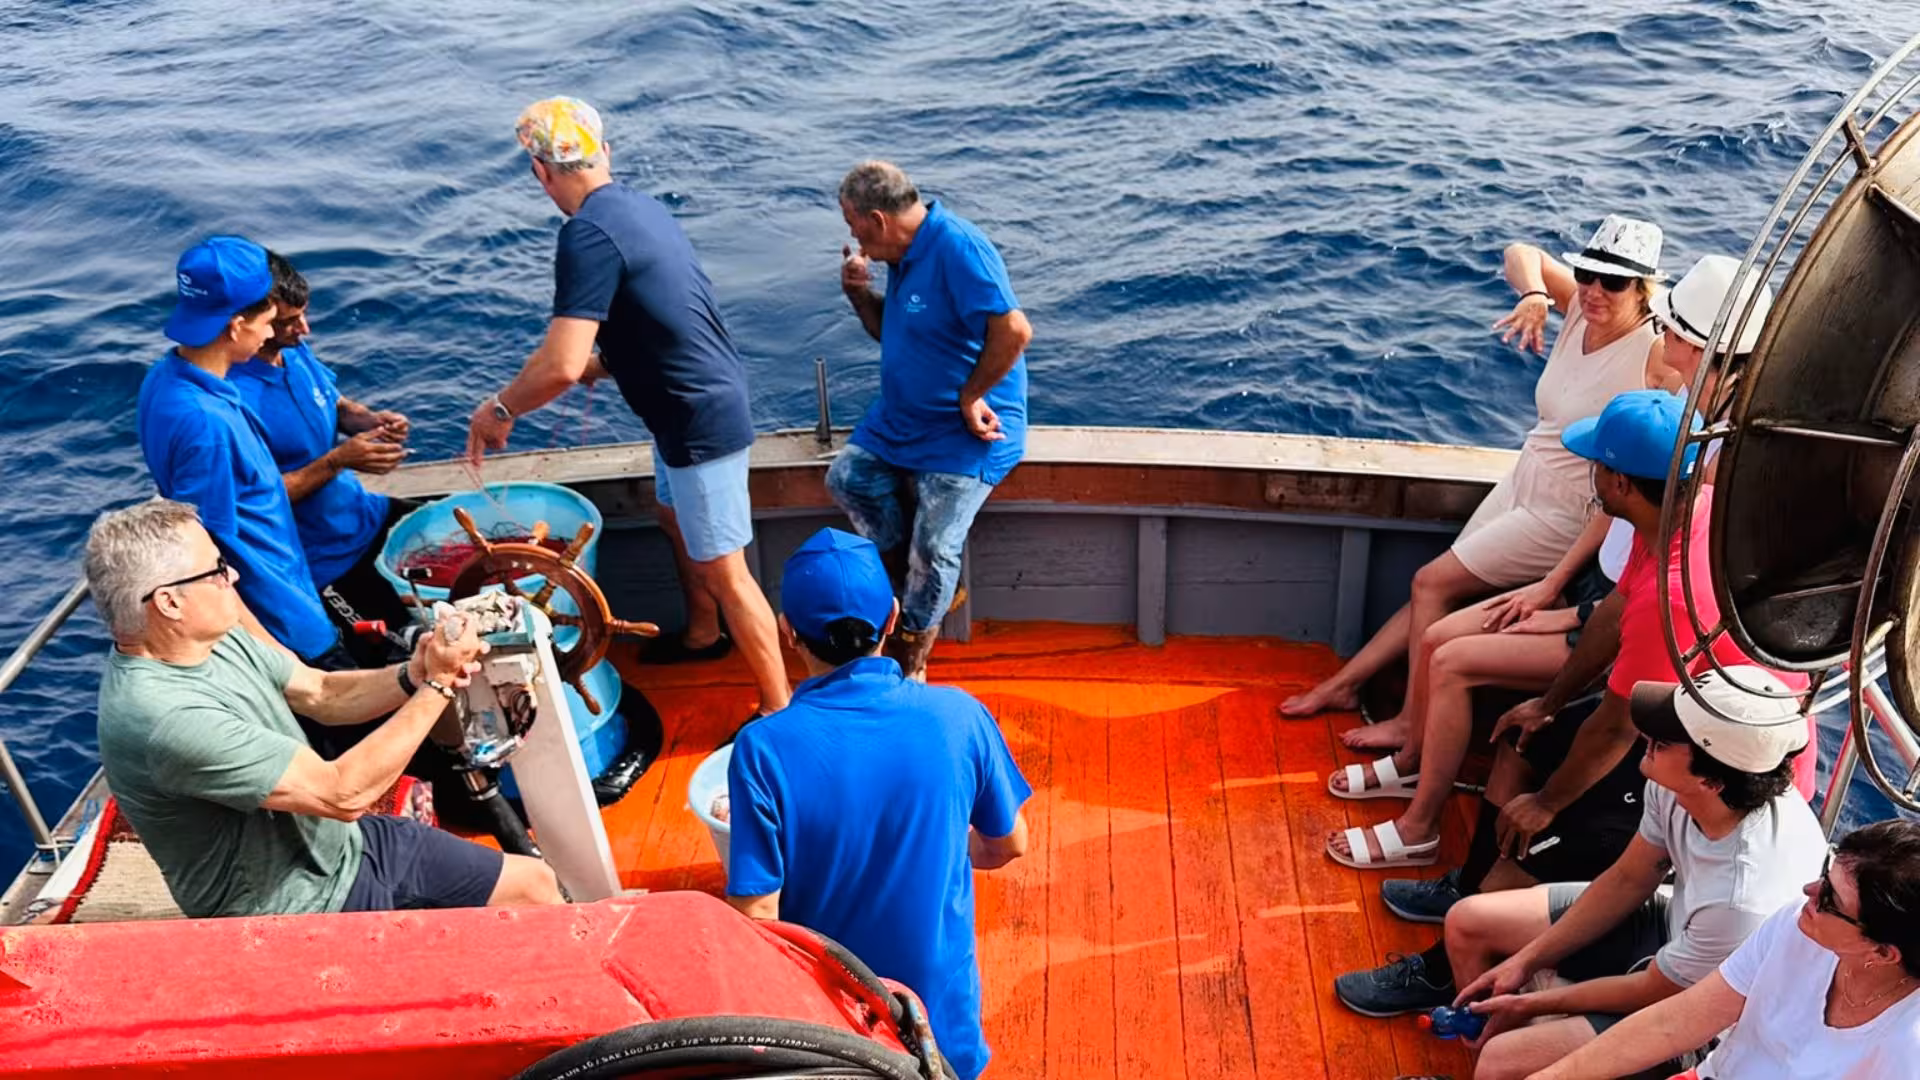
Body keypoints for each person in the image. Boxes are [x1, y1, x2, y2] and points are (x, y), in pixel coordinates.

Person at [1332, 391, 1816, 1018]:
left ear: (1616, 479)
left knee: (1545, 835)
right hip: (1669, 722)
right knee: (1522, 740)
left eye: (1596, 464)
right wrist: (1549, 704)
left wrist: (1547, 803)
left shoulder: (1674, 591)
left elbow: (1615, 729)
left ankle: (1447, 965)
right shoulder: (1676, 512)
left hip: (1708, 765)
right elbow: (1610, 616)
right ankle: (1472, 885)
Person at [1326, 257, 1779, 873]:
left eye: (1669, 325)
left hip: (1633, 623)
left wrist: (1548, 796)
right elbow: (1626, 562)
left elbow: (1624, 694)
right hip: (1605, 596)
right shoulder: (1686, 441)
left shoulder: (1709, 460)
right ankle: (1416, 772)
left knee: (1454, 658)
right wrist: (1556, 591)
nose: (1660, 333)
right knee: (1438, 637)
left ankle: (1421, 826)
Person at [1282, 215, 1667, 760]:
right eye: (1587, 273)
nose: (1595, 289)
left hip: (1566, 509)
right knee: (1433, 588)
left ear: (1644, 288)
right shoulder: (1580, 308)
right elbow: (1520, 249)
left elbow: (1684, 417)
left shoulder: (1652, 349)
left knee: (1430, 583)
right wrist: (1537, 295)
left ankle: (1409, 727)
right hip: (1524, 478)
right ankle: (1348, 682)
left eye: (1615, 282)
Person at [467, 96, 790, 735]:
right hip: (682, 412)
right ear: (604, 154)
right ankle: (703, 636)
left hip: (699, 422)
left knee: (731, 573)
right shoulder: (638, 208)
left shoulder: (584, 233)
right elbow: (654, 320)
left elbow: (560, 363)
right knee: (673, 517)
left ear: (540, 172)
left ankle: (780, 709)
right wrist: (605, 362)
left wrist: (498, 409)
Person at [86, 498, 564, 917]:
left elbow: (320, 692)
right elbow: (342, 795)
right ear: (169, 602)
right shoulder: (165, 718)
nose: (232, 576)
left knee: (536, 888)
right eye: (215, 571)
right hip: (294, 908)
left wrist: (414, 672)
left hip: (345, 851)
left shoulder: (213, 637)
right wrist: (438, 685)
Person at [725, 527, 1032, 1080]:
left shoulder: (761, 748)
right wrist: (943, 846)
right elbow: (1009, 843)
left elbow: (758, 917)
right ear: (891, 619)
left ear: (787, 631)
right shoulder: (959, 716)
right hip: (940, 1013)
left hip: (833, 1018)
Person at [1436, 671, 1826, 1080]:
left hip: (1706, 1017)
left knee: (1504, 1059)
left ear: (1711, 780)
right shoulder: (1676, 785)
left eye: (1664, 739)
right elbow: (1629, 877)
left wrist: (1529, 1004)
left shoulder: (1742, 899)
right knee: (1468, 923)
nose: (1645, 737)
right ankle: (1502, 1036)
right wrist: (1524, 962)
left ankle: (1514, 1050)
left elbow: (1657, 992)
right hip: (1677, 929)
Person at [829, 161, 1034, 679]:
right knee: (849, 480)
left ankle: (911, 657)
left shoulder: (957, 248)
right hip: (902, 421)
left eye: (853, 222)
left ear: (877, 219)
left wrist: (972, 396)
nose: (851, 234)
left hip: (966, 429)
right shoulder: (900, 254)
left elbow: (1014, 330)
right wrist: (858, 293)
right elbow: (893, 332)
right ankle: (917, 589)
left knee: (935, 545)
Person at [1525, 819, 1920, 1080]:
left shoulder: (1909, 1047)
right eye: (1824, 874)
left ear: (1885, 952)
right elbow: (1673, 1024)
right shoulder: (1798, 926)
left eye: (1830, 897)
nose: (1809, 892)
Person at [137, 235, 342, 665]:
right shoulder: (205, 423)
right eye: (268, 321)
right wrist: (273, 654)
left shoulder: (165, 378)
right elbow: (203, 548)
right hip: (285, 627)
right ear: (235, 326)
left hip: (287, 608)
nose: (272, 332)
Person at [230, 251, 416, 670]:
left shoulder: (294, 351)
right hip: (323, 562)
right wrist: (338, 461)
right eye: (288, 322)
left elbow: (335, 404)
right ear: (251, 322)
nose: (304, 329)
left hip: (366, 515)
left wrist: (370, 420)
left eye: (303, 315)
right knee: (402, 652)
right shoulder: (233, 399)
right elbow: (259, 499)